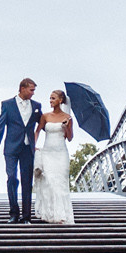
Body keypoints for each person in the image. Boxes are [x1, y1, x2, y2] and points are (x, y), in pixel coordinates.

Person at [0, 77, 40, 223]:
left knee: (27, 181)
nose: (33, 93)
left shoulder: (36, 105)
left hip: (27, 148)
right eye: (31, 90)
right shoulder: (7, 105)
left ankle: (26, 216)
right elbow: (0, 126)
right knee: (12, 178)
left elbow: (43, 122)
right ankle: (13, 213)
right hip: (11, 147)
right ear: (23, 88)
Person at [31, 88, 77, 226]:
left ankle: (62, 215)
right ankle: (49, 213)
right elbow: (37, 131)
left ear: (60, 100)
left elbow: (69, 138)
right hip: (48, 152)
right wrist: (34, 145)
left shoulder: (67, 118)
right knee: (49, 182)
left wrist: (67, 127)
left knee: (61, 183)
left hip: (61, 153)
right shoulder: (45, 116)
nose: (50, 101)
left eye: (53, 98)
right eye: (50, 98)